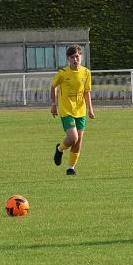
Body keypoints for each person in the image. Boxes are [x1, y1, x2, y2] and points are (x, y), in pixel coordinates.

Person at [49, 45, 95, 175]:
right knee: (73, 137)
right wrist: (54, 104)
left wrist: (90, 109)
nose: (75, 59)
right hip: (66, 110)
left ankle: (71, 168)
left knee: (79, 140)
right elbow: (53, 87)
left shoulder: (86, 73)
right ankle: (60, 149)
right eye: (72, 57)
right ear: (68, 59)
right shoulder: (63, 73)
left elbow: (87, 92)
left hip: (81, 111)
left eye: (77, 56)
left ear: (81, 57)